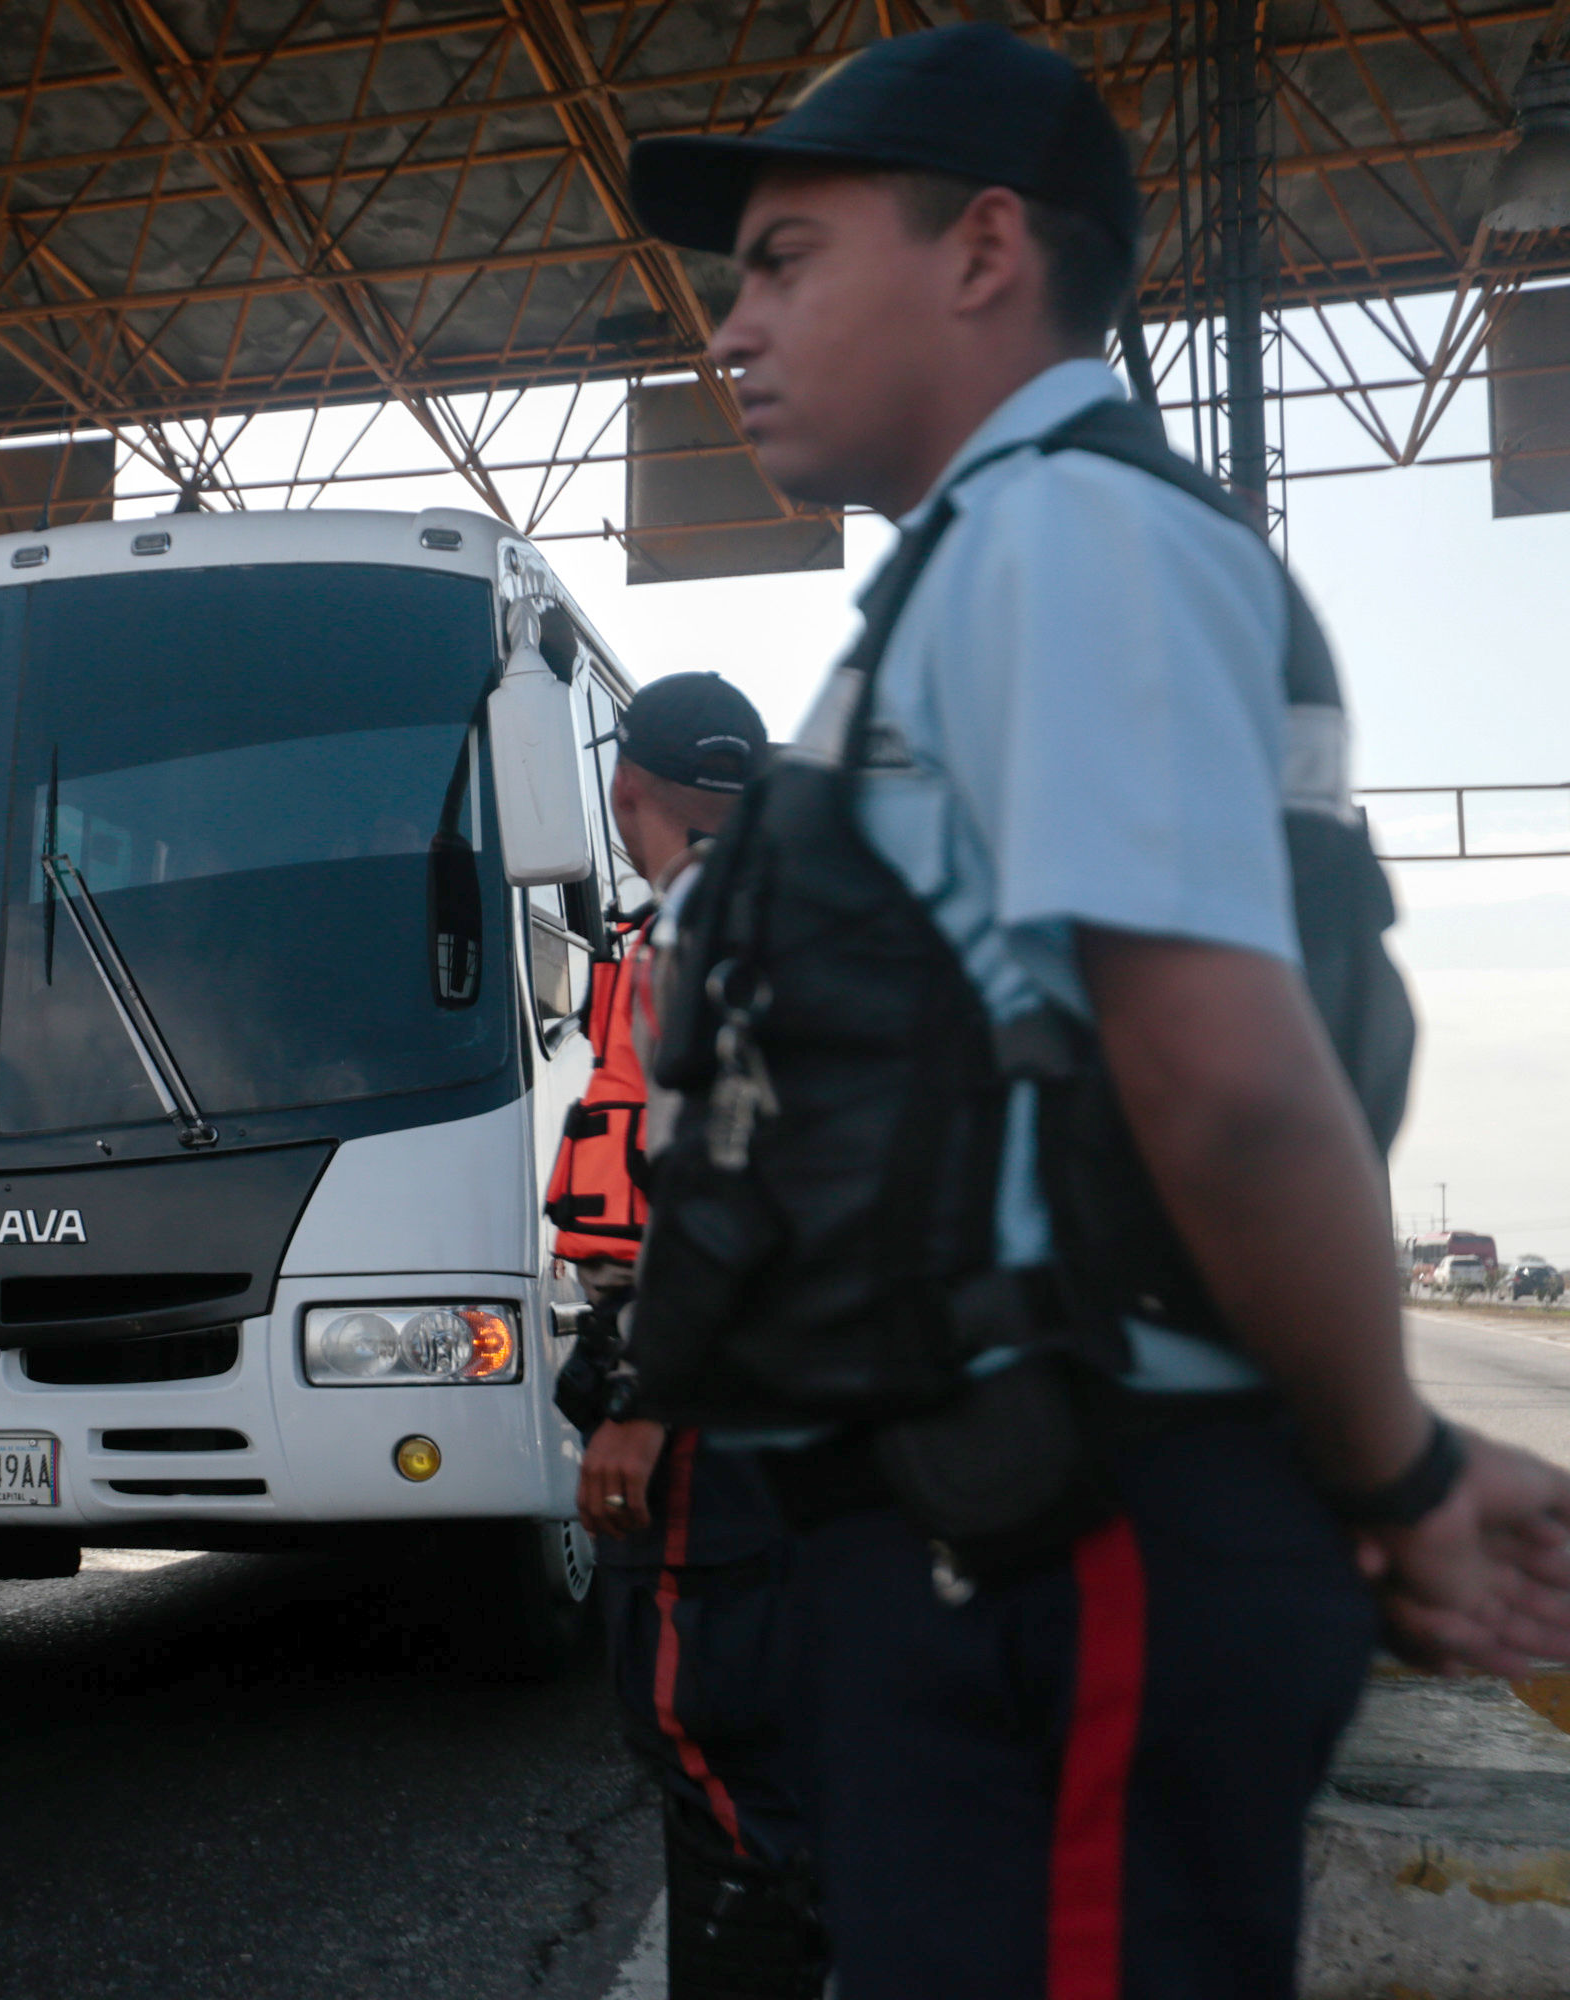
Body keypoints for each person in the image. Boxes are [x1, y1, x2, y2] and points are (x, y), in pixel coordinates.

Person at [621, 25, 1570, 1994]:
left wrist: (1389, 1471)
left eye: (785, 256)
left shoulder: (1068, 541)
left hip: (1080, 1525)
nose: (733, 327)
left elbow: (1222, 1082)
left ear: (985, 250)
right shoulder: (990, 562)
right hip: (995, 1527)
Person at [546, 674, 826, 1999]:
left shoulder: (705, 924)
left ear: (625, 791)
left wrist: (645, 1393)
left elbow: (725, 1174)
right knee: (781, 1755)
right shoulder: (805, 912)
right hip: (800, 1394)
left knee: (710, 1743)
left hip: (718, 1396)